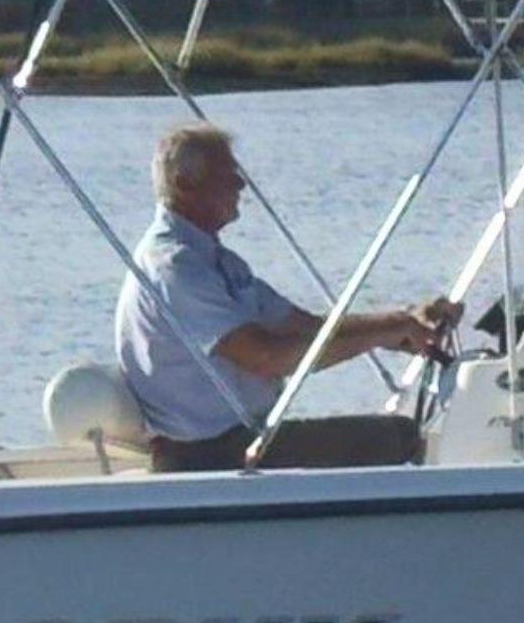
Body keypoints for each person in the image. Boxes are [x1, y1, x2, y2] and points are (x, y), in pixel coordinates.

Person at [116, 122, 458, 472]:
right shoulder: (175, 267)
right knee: (397, 437)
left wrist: (403, 322)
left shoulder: (216, 261)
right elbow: (266, 357)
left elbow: (307, 327)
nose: (241, 185)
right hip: (206, 454)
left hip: (242, 438)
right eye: (228, 176)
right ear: (185, 185)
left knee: (405, 433)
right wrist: (382, 334)